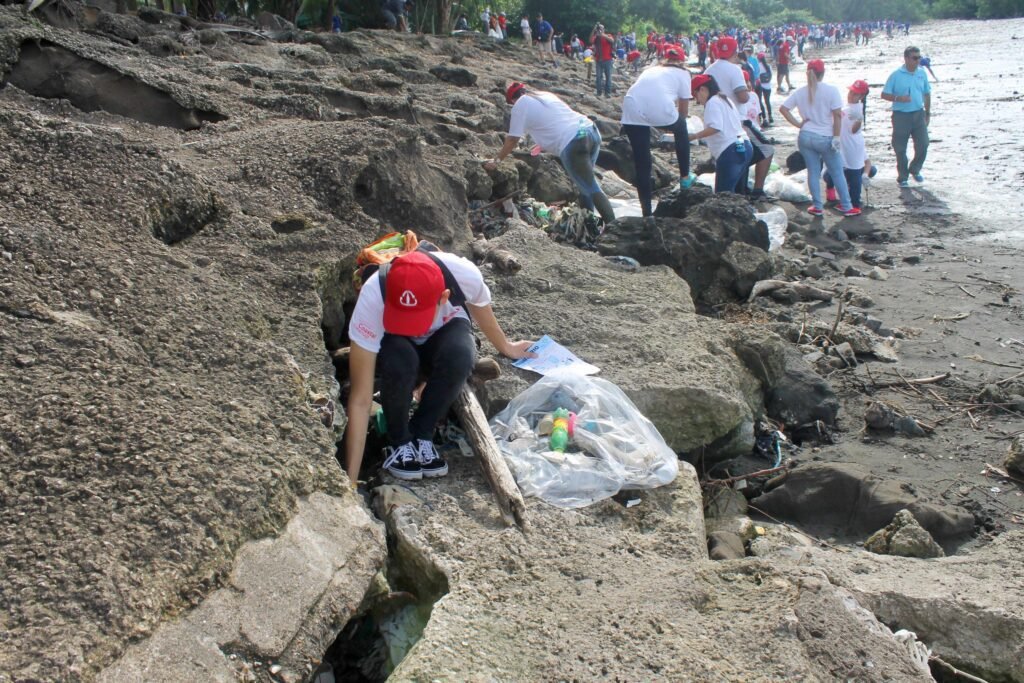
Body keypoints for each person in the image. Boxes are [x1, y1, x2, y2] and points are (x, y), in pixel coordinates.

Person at [345, 250, 535, 482]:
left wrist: (507, 347)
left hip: (445, 332)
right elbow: (361, 399)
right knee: (400, 360)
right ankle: (399, 440)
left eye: (416, 318)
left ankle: (422, 432)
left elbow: (480, 308)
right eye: (403, 316)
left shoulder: (463, 274)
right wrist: (350, 483)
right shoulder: (374, 294)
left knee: (461, 353)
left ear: (444, 297)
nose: (412, 327)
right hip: (396, 345)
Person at [486, 83, 616, 223]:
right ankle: (588, 224)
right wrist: (542, 144)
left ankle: (614, 228)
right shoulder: (544, 95)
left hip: (573, 141)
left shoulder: (519, 105)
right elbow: (555, 121)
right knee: (583, 185)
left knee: (590, 187)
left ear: (512, 100)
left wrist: (496, 160)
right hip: (590, 130)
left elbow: (512, 139)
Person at [620, 46, 697, 216]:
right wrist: (672, 123)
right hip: (658, 107)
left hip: (631, 105)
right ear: (682, 61)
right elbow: (683, 112)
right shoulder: (684, 73)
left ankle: (646, 212)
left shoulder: (651, 69)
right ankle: (685, 177)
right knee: (681, 128)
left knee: (642, 162)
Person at [779, 59, 861, 217]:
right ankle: (846, 205)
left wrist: (798, 124)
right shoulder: (831, 91)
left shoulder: (801, 91)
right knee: (837, 172)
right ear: (822, 73)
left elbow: (783, 109)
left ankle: (817, 206)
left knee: (813, 172)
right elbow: (837, 115)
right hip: (825, 137)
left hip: (806, 135)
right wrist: (837, 137)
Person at [688, 74, 752, 194]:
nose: (697, 101)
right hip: (743, 145)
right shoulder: (725, 99)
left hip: (730, 151)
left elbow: (716, 128)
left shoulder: (712, 102)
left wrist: (694, 136)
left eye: (695, 95)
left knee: (723, 195)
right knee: (737, 194)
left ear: (702, 89)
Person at [881, 46, 932, 187]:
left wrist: (927, 113)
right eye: (915, 58)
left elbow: (927, 93)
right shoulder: (896, 75)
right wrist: (898, 98)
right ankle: (902, 176)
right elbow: (884, 94)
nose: (918, 61)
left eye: (919, 58)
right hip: (901, 116)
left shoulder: (922, 73)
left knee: (924, 143)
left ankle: (915, 169)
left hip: (918, 113)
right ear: (906, 58)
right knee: (900, 148)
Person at [825, 79, 876, 209]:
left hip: (852, 146)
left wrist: (859, 120)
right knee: (837, 172)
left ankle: (854, 204)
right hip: (844, 146)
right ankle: (843, 197)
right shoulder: (848, 107)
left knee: (853, 174)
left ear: (861, 96)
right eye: (851, 92)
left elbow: (854, 130)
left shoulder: (856, 109)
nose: (851, 95)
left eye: (855, 94)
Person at [703, 36, 750, 111]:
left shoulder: (708, 70)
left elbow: (703, 98)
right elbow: (743, 98)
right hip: (734, 116)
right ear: (735, 53)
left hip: (714, 115)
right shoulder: (736, 70)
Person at [591, 23, 615, 98]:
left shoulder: (608, 35)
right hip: (599, 60)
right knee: (598, 77)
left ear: (604, 30)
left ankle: (607, 93)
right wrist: (593, 30)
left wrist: (603, 35)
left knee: (608, 77)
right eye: (599, 29)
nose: (600, 30)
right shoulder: (596, 37)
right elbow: (590, 40)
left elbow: (612, 41)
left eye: (601, 29)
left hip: (608, 60)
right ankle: (599, 92)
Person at [755, 52, 774, 126]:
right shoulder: (768, 66)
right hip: (768, 86)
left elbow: (756, 75)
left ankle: (763, 118)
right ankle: (770, 116)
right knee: (767, 101)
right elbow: (771, 76)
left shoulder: (758, 66)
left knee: (760, 102)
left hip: (760, 85)